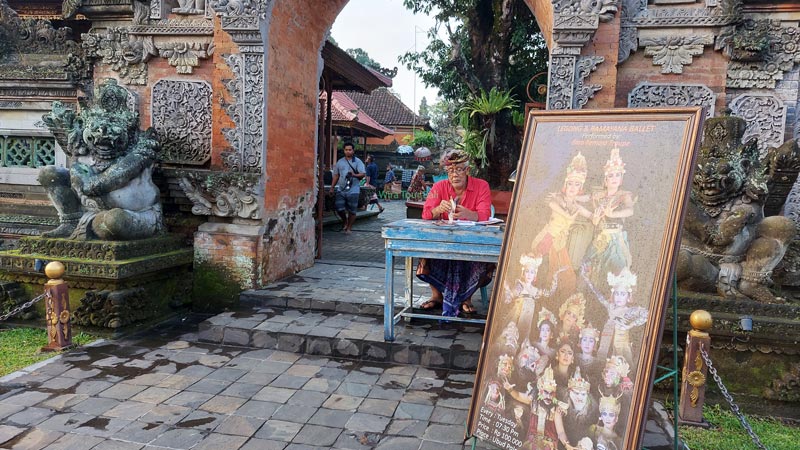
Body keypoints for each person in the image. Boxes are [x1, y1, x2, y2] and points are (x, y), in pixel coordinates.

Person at [417, 150, 494, 316]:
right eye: (450, 171)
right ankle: (436, 296)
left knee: (480, 260)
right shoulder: (439, 187)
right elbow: (426, 214)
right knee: (428, 253)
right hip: (444, 242)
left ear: (467, 170)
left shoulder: (481, 186)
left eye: (459, 169)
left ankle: (467, 298)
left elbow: (485, 214)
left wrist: (469, 214)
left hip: (472, 243)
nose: (454, 175)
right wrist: (438, 209)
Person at [329, 142, 366, 234]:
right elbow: (336, 175)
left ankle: (349, 227)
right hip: (341, 189)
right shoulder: (340, 162)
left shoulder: (357, 161)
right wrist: (332, 187)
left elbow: (363, 174)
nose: (348, 151)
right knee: (339, 208)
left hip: (353, 190)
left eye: (350, 150)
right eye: (346, 150)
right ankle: (345, 221)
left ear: (353, 151)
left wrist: (354, 175)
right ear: (344, 150)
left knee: (352, 210)